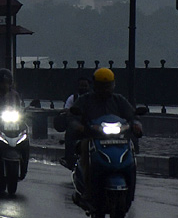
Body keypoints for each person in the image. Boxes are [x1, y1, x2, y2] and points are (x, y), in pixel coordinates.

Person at [69, 67, 142, 200]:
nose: (105, 89)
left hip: (118, 140)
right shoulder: (85, 100)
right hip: (93, 138)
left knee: (132, 156)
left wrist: (136, 125)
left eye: (108, 85)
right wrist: (80, 127)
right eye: (102, 86)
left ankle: (130, 190)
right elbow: (73, 118)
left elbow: (132, 115)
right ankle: (87, 190)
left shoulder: (119, 100)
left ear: (113, 85)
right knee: (85, 151)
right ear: (95, 85)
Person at [57, 75, 92, 169]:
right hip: (76, 126)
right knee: (70, 134)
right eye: (81, 85)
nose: (83, 88)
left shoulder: (94, 98)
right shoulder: (72, 98)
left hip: (91, 125)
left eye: (85, 86)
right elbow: (67, 110)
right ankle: (69, 159)